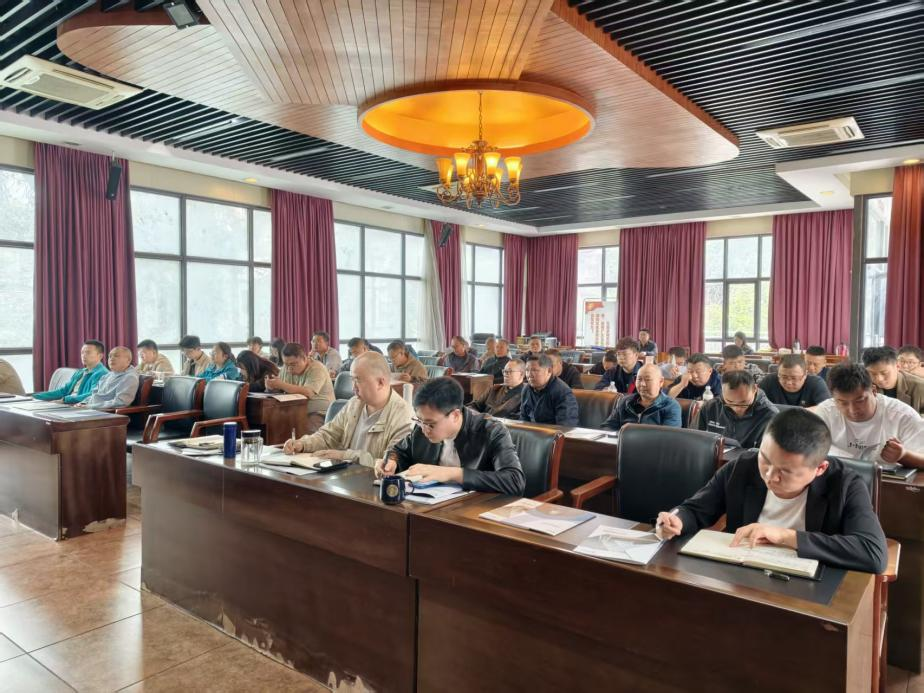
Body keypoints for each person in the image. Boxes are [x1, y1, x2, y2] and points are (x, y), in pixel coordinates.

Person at [655, 408, 887, 574]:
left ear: (820, 469)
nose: (769, 476)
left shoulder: (845, 484)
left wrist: (786, 536)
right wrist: (677, 520)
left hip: (809, 586)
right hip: (742, 574)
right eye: (765, 460)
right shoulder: (743, 467)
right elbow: (696, 510)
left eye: (785, 471)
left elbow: (873, 553)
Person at [377, 377, 526, 495]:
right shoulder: (422, 427)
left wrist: (452, 474)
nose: (423, 429)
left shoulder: (491, 431)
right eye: (419, 421)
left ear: (455, 415)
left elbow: (514, 481)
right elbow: (399, 451)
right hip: (429, 507)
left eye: (430, 424)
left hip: (474, 511)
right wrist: (390, 461)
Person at [283, 352, 414, 467]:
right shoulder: (354, 404)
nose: (353, 388)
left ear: (380, 382)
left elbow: (389, 464)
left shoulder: (403, 416)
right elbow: (328, 435)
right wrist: (302, 444)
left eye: (358, 380)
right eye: (352, 380)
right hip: (346, 477)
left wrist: (345, 456)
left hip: (373, 483)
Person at [811, 363, 924, 468]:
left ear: (874, 391)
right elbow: (809, 451)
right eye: (843, 402)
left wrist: (904, 456)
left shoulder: (902, 415)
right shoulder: (826, 412)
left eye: (860, 400)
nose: (852, 410)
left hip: (887, 480)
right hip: (840, 477)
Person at [696, 370, 778, 448]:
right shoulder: (710, 407)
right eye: (729, 401)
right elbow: (694, 438)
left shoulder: (771, 416)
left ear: (755, 389)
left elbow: (769, 453)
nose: (737, 408)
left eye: (744, 402)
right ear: (722, 391)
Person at [265, 342, 334, 433]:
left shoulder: (317, 368)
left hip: (318, 412)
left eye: (293, 364)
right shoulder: (286, 368)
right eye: (286, 364)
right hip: (294, 411)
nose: (289, 368)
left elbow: (308, 393)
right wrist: (271, 386)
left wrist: (281, 384)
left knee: (307, 432)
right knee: (271, 425)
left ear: (304, 359)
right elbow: (281, 390)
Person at [600, 364, 681, 431]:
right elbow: (607, 427)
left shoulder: (670, 406)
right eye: (639, 379)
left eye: (648, 380)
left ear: (661, 382)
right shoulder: (625, 401)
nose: (642, 384)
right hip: (623, 444)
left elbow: (669, 437)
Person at [34, 340, 108, 404]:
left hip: (78, 406)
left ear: (100, 356)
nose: (84, 355)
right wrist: (36, 396)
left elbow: (92, 395)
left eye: (88, 353)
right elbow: (64, 391)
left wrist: (64, 400)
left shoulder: (102, 373)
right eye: (82, 352)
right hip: (67, 403)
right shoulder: (80, 372)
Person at [862, 346, 924, 415]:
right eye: (873, 374)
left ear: (897, 367)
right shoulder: (864, 385)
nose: (879, 379)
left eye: (884, 373)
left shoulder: (920, 386)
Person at [520, 354, 579, 426]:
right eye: (527, 370)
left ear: (549, 371)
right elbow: (523, 419)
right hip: (531, 431)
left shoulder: (562, 392)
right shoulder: (526, 389)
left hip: (553, 432)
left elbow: (565, 426)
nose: (529, 375)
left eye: (535, 370)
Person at [758, 354, 831, 408]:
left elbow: (827, 408)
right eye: (784, 377)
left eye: (794, 378)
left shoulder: (816, 383)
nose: (788, 383)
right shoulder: (769, 380)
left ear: (805, 375)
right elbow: (755, 403)